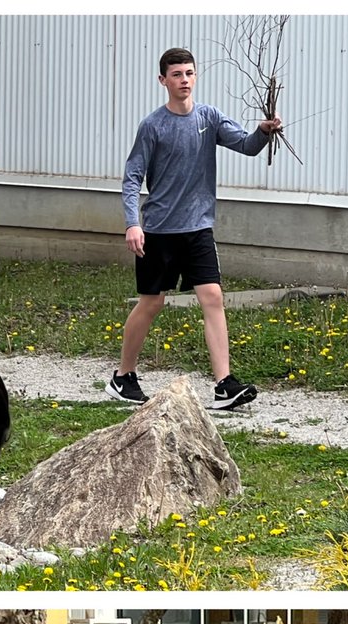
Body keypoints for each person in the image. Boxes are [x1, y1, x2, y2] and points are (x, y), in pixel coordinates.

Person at [108, 47, 282, 410]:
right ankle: (123, 377)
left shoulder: (209, 117)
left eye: (189, 73)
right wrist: (132, 224)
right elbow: (132, 177)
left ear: (195, 76)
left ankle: (224, 385)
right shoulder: (153, 126)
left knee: (212, 296)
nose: (184, 80)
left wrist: (263, 131)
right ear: (163, 80)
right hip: (159, 230)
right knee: (152, 303)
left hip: (199, 228)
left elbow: (247, 146)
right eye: (176, 75)